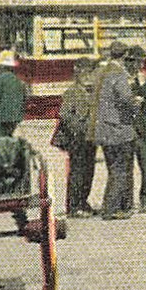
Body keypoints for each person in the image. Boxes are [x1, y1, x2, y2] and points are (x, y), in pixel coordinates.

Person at [89, 41, 138, 221]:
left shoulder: (101, 72)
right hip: (117, 130)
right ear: (124, 56)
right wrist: (136, 102)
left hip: (102, 128)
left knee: (113, 168)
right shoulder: (119, 74)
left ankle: (114, 206)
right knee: (120, 169)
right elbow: (126, 98)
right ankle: (111, 209)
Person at [53, 57, 99, 217]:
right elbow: (64, 114)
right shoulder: (72, 92)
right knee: (78, 172)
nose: (89, 76)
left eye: (90, 73)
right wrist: (78, 128)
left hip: (90, 138)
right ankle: (73, 206)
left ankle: (83, 202)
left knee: (88, 172)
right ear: (78, 73)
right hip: (77, 138)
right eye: (86, 72)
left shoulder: (91, 92)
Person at [125, 46, 146, 213]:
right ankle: (128, 202)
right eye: (132, 62)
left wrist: (140, 85)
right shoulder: (124, 80)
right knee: (127, 168)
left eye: (138, 62)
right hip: (128, 131)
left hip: (143, 132)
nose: (135, 65)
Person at [0, 50, 27, 139]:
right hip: (15, 117)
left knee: (1, 138)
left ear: (3, 66)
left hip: (2, 117)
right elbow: (24, 99)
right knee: (9, 136)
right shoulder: (18, 81)